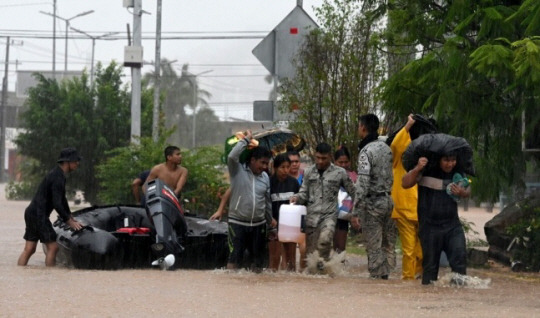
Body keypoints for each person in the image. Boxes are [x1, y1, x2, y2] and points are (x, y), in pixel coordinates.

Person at [402, 153, 470, 285]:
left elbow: (468, 190)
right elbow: (405, 183)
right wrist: (417, 168)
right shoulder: (426, 169)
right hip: (429, 228)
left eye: (453, 160)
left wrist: (462, 193)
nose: (450, 164)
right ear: (438, 159)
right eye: (446, 160)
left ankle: (460, 301)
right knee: (430, 269)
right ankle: (430, 300)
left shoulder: (458, 171)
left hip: (452, 226)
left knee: (460, 263)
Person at [290, 142, 356, 270]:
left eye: (323, 158)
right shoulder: (308, 172)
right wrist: (296, 198)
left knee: (325, 241)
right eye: (318, 158)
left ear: (330, 157)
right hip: (312, 219)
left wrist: (356, 212)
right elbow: (304, 192)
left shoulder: (339, 173)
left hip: (329, 217)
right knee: (311, 256)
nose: (320, 161)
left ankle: (324, 269)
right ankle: (318, 276)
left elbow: (354, 192)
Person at [17, 147, 84, 267]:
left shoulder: (57, 174)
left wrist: (69, 215)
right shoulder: (57, 177)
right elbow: (57, 203)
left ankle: (19, 272)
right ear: (67, 162)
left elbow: (62, 199)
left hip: (31, 212)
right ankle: (50, 276)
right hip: (39, 214)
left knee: (30, 249)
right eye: (75, 161)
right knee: (53, 247)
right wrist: (68, 220)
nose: (77, 163)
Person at [350, 114, 396, 279]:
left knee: (374, 245)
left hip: (373, 203)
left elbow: (362, 183)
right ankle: (387, 277)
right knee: (389, 244)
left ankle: (378, 279)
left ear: (363, 127)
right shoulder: (387, 148)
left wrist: (355, 211)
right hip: (390, 201)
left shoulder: (366, 152)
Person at [226, 129, 276, 271]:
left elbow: (266, 202)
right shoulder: (237, 170)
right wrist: (246, 140)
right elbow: (231, 157)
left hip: (259, 225)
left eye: (267, 164)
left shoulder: (265, 177)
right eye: (262, 163)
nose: (265, 167)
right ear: (252, 160)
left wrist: (270, 224)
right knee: (234, 259)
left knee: (259, 263)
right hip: (237, 222)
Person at [390, 115, 423, 279]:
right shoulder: (400, 157)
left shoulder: (425, 157)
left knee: (422, 251)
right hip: (403, 209)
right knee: (409, 250)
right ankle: (408, 280)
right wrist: (408, 124)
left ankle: (418, 278)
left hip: (422, 210)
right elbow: (396, 145)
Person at [269, 153, 300, 271]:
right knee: (274, 258)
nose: (286, 170)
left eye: (288, 167)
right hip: (273, 224)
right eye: (282, 167)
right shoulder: (269, 182)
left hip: (290, 225)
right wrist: (270, 219)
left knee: (291, 259)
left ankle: (291, 284)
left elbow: (299, 202)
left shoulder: (294, 183)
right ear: (275, 168)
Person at [333, 146, 358, 253]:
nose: (343, 165)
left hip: (344, 215)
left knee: (341, 246)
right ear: (334, 162)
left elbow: (357, 196)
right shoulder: (329, 175)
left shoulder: (354, 176)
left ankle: (339, 266)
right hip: (329, 214)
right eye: (340, 162)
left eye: (346, 162)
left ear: (350, 161)